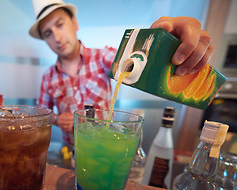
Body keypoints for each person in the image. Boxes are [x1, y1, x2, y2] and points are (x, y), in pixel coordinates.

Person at [29, 0, 213, 145]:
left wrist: (166, 48)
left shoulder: (102, 57)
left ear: (74, 22)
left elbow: (139, 65)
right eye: (48, 33)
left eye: (60, 25)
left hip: (103, 148)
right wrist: (57, 120)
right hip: (70, 153)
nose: (57, 38)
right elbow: (40, 114)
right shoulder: (48, 77)